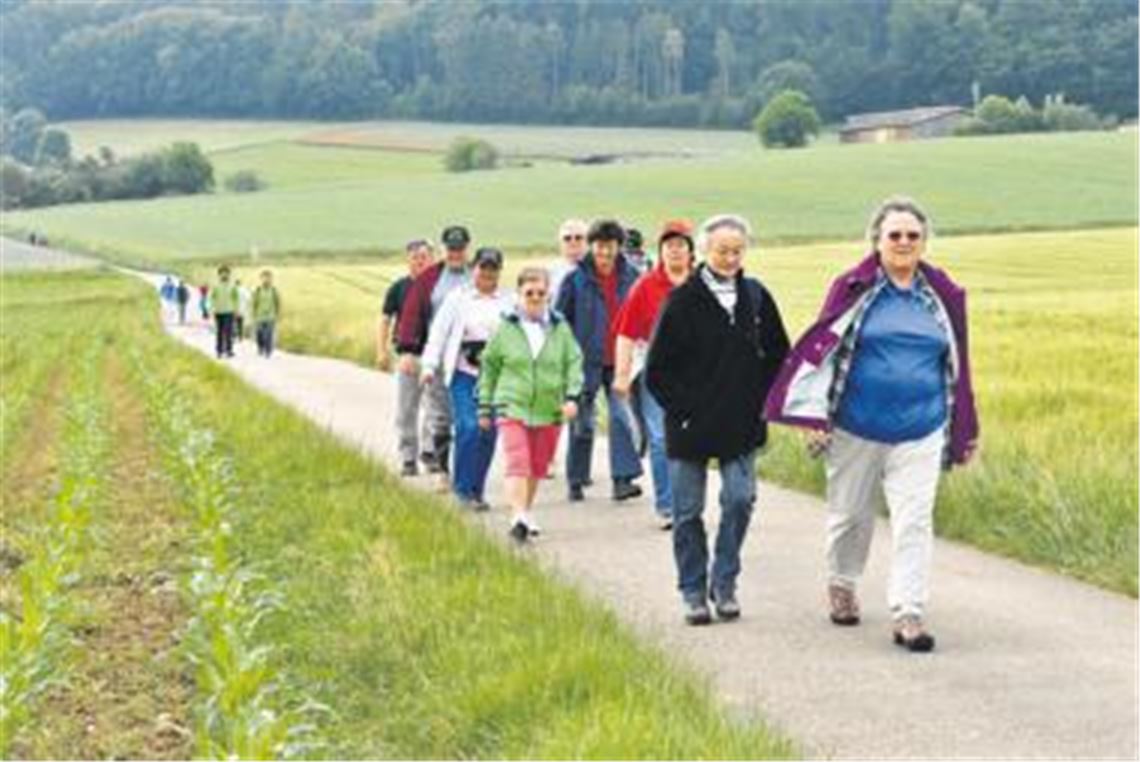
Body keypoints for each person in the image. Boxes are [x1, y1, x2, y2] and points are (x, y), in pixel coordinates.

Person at [764, 196, 979, 653]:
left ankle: (909, 613)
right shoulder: (853, 287)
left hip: (922, 427)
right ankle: (842, 583)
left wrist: (965, 427)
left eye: (912, 236)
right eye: (894, 235)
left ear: (924, 242)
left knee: (915, 521)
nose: (904, 242)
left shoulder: (943, 297)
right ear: (877, 242)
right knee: (849, 516)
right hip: (855, 425)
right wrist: (811, 415)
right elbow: (819, 353)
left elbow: (961, 365)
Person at [646, 214, 790, 626]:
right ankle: (693, 591)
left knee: (741, 499)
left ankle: (724, 582)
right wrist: (686, 408)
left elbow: (780, 354)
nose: (729, 258)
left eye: (737, 250)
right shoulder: (681, 301)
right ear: (704, 252)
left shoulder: (757, 297)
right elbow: (657, 370)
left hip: (741, 421)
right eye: (722, 250)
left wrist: (763, 401)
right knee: (687, 511)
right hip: (689, 424)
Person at [479, 268, 583, 542]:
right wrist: (485, 406)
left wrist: (572, 397)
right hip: (511, 403)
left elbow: (574, 363)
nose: (535, 298)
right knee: (518, 460)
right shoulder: (505, 328)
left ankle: (526, 511)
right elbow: (489, 368)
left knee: (537, 466)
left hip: (549, 408)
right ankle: (517, 516)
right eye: (529, 293)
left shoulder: (561, 328)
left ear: (549, 295)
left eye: (541, 293)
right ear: (519, 295)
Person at [613, 219, 695, 530]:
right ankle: (668, 505)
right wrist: (622, 374)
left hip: (697, 370)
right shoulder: (646, 286)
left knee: (691, 438)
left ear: (690, 251)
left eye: (681, 245)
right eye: (669, 246)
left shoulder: (703, 282)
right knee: (661, 437)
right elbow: (625, 332)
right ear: (660, 251)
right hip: (656, 367)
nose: (675, 251)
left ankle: (689, 500)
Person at [555, 218, 643, 502]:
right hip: (583, 362)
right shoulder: (575, 279)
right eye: (600, 247)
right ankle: (576, 479)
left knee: (620, 417)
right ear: (592, 247)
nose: (605, 254)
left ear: (619, 247)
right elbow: (559, 323)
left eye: (610, 247)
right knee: (583, 424)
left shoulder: (631, 277)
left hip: (619, 360)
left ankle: (622, 480)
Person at [420, 247, 514, 510]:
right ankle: (462, 490)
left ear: (499, 271)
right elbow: (438, 333)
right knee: (469, 427)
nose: (487, 273)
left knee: (488, 432)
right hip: (464, 372)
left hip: (496, 376)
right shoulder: (458, 298)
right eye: (483, 267)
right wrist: (428, 366)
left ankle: (477, 489)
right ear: (474, 268)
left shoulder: (508, 301)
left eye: (492, 268)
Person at [396, 225, 473, 488]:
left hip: (471, 357)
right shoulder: (429, 279)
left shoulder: (477, 275)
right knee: (440, 415)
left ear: (467, 249)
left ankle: (466, 469)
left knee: (468, 416)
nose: (455, 254)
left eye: (460, 249)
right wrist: (407, 350)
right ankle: (442, 470)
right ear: (443, 250)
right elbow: (411, 314)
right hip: (438, 355)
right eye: (451, 249)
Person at [379, 239, 437, 477]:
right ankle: (408, 458)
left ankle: (430, 452)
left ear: (432, 259)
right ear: (408, 260)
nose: (420, 260)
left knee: (436, 409)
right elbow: (385, 319)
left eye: (424, 256)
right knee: (407, 410)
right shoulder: (398, 288)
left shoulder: (440, 287)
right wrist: (382, 351)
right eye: (415, 256)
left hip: (435, 357)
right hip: (408, 356)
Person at [548, 218, 589, 302]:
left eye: (578, 238)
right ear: (560, 242)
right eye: (567, 238)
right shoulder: (549, 272)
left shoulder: (597, 269)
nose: (573, 242)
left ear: (587, 241)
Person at [209, 265, 240, 359]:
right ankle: (219, 350)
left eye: (226, 273)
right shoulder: (215, 286)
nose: (224, 275)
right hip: (218, 311)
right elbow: (211, 298)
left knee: (228, 331)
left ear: (229, 274)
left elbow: (236, 298)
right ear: (219, 275)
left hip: (229, 311)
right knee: (219, 332)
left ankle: (229, 350)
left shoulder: (232, 286)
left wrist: (236, 310)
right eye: (222, 273)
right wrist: (212, 309)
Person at [251, 269, 281, 358]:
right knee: (260, 334)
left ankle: (268, 350)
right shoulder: (258, 290)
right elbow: (254, 303)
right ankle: (260, 347)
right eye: (264, 277)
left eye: (268, 277)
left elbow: (277, 303)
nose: (266, 279)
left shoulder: (274, 290)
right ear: (261, 279)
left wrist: (277, 314)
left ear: (271, 279)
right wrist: (254, 314)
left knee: (269, 334)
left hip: (270, 316)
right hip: (259, 316)